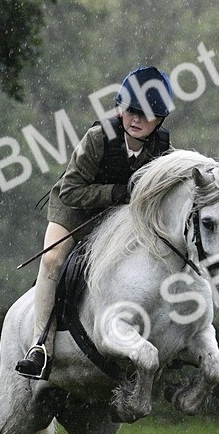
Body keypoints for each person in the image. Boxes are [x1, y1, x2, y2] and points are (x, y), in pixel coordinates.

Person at [15, 66, 176, 379]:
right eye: (131, 111)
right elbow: (70, 190)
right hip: (75, 210)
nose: (136, 120)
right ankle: (40, 346)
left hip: (117, 221)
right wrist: (117, 192)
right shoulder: (99, 138)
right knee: (52, 260)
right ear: (119, 108)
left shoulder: (163, 151)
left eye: (146, 115)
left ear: (160, 120)